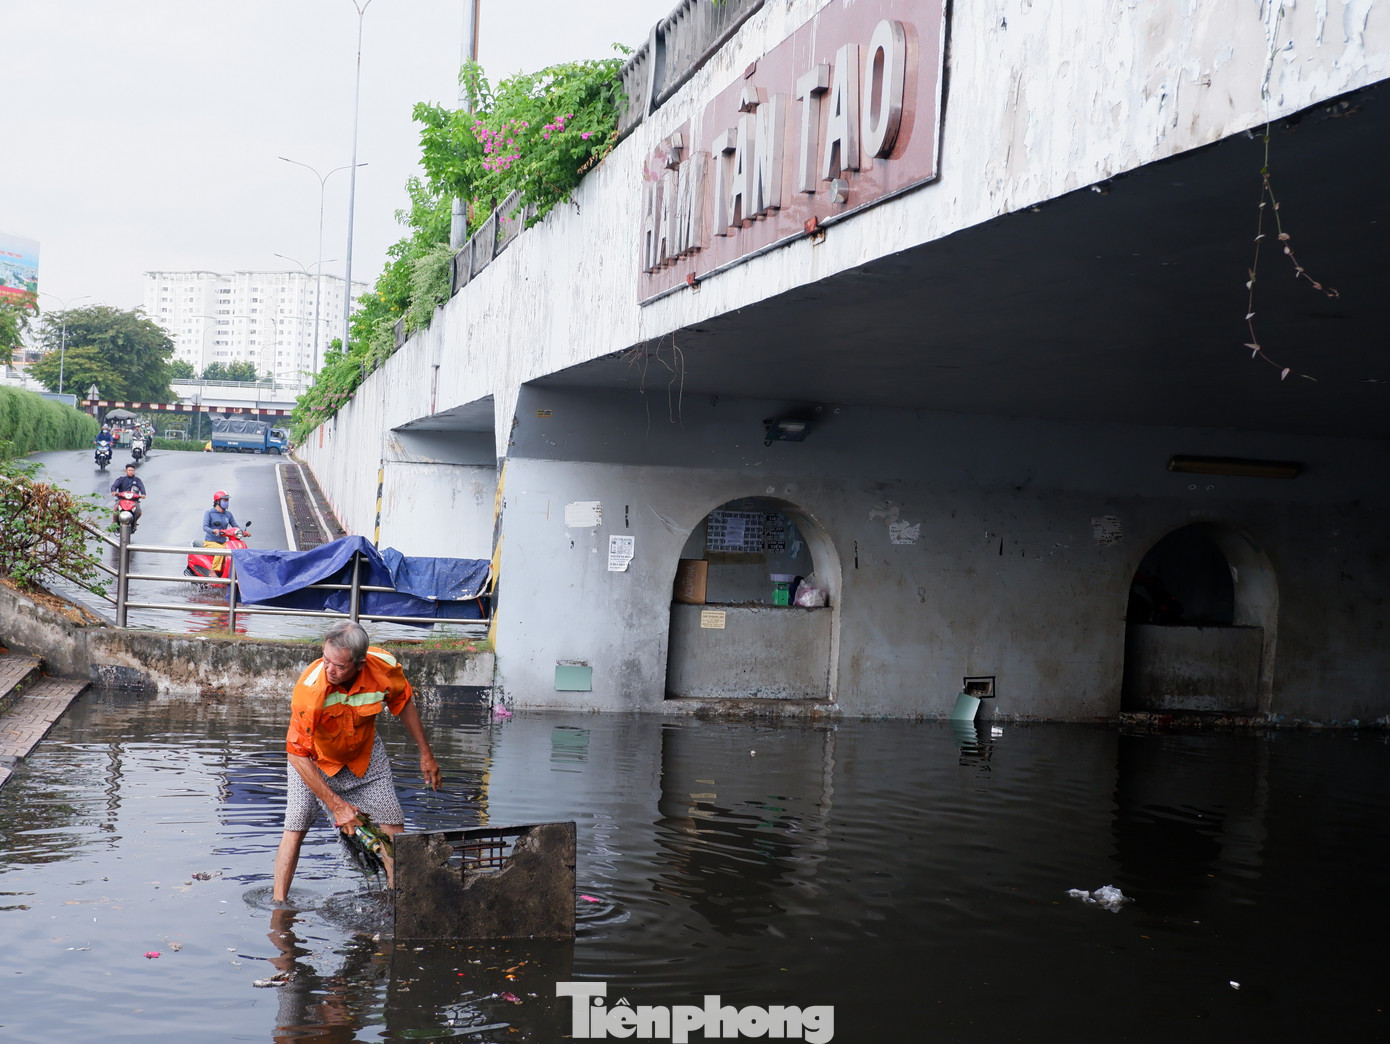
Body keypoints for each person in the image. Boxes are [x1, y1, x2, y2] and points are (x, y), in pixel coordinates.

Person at [272, 621, 441, 902]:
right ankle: (279, 907)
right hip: (313, 760)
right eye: (325, 660)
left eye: (338, 666)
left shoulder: (384, 666)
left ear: (360, 664)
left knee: (393, 830)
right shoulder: (311, 689)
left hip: (364, 756)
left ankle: (396, 902)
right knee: (296, 824)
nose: (329, 670)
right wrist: (337, 806)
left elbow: (403, 701)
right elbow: (295, 753)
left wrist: (426, 753)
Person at [109, 463, 146, 528]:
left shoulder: (137, 480)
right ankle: (114, 522)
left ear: (134, 471)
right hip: (122, 499)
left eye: (132, 470)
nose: (131, 472)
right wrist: (113, 491)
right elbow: (114, 486)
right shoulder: (121, 479)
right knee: (116, 507)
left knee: (139, 512)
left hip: (133, 500)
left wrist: (143, 494)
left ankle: (135, 522)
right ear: (126, 471)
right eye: (129, 470)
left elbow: (141, 487)